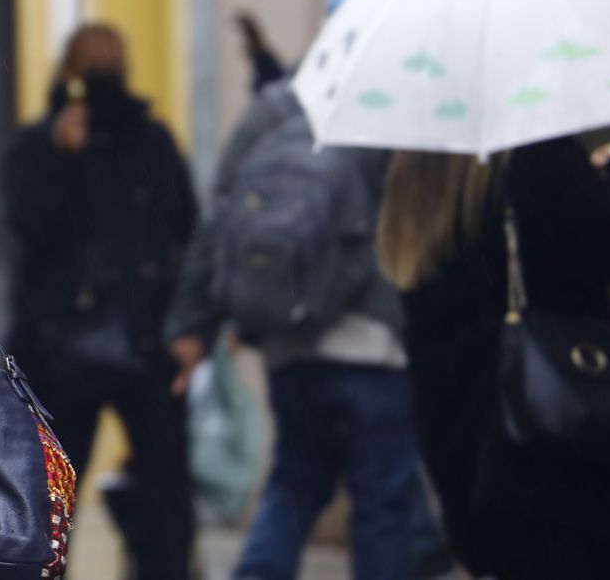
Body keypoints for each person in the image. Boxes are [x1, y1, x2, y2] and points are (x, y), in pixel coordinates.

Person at [376, 137, 610, 579]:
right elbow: (608, 235)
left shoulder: (417, 166)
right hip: (557, 471)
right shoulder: (531, 148)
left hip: (470, 465)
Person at [165, 76, 419, 580]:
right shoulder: (395, 107)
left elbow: (219, 220)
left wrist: (194, 322)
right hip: (375, 343)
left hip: (291, 343)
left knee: (294, 484)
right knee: (382, 502)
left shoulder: (276, 108)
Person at [3, 23, 197, 580]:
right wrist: (61, 158)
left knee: (164, 503)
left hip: (147, 342)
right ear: (68, 70)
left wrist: (191, 327)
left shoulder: (151, 141)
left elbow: (185, 227)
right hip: (60, 349)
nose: (100, 74)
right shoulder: (36, 146)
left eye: (108, 63)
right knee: (47, 505)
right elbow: (27, 231)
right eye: (91, 63)